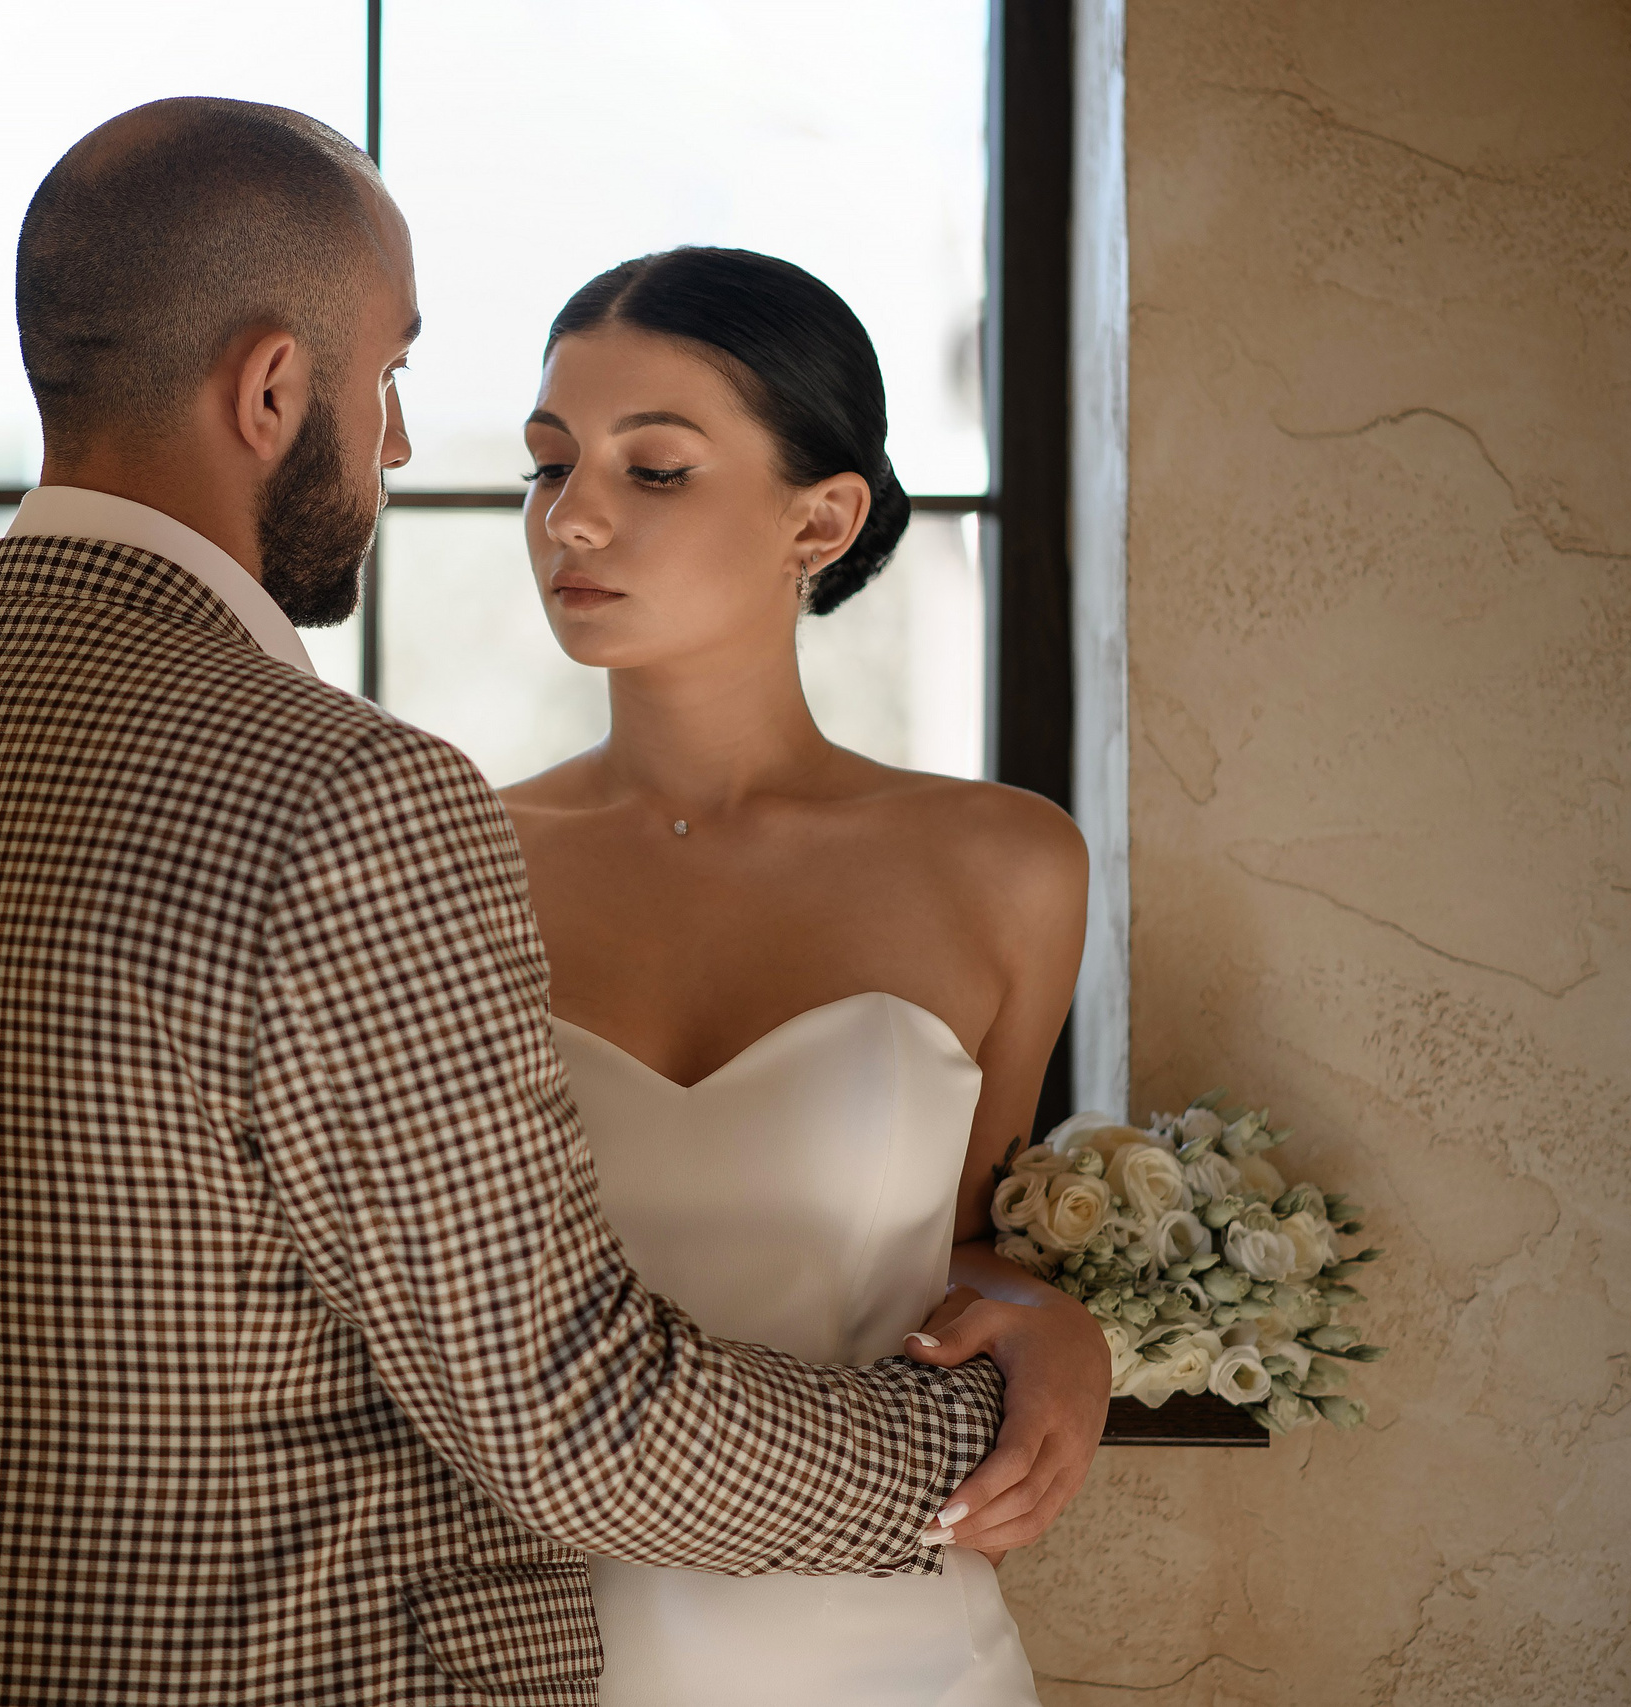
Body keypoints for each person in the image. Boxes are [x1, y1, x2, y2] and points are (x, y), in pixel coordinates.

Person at [0, 101, 1099, 1706]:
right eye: (390, 375)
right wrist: (986, 1431)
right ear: (275, 388)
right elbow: (571, 1420)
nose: (411, 444)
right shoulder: (354, 804)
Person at [498, 246, 1107, 1705]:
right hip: (523, 1644)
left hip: (885, 1650)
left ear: (821, 517)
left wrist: (1054, 1327)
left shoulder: (1004, 864)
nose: (571, 519)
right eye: (547, 465)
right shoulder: (454, 857)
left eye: (655, 471)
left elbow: (964, 1248)